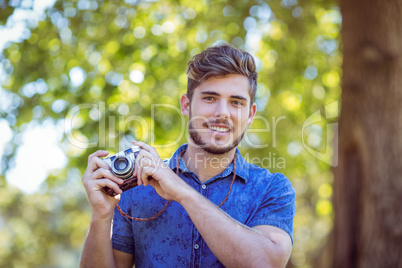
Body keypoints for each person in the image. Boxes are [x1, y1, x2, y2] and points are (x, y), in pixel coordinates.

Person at [80, 44, 296, 268]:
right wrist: (101, 216)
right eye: (210, 98)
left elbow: (267, 263)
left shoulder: (272, 189)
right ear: (186, 105)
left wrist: (182, 192)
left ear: (250, 114)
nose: (222, 112)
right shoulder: (136, 187)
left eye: (236, 102)